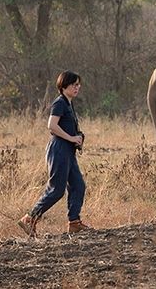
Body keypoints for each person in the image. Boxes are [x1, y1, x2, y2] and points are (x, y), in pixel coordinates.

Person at [17, 71, 91, 237]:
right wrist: (71, 137)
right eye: (73, 85)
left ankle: (74, 223)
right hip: (59, 149)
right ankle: (29, 219)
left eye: (78, 85)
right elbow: (52, 126)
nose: (77, 88)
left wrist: (77, 137)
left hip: (68, 151)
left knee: (78, 185)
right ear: (63, 86)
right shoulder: (59, 103)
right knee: (57, 189)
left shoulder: (68, 104)